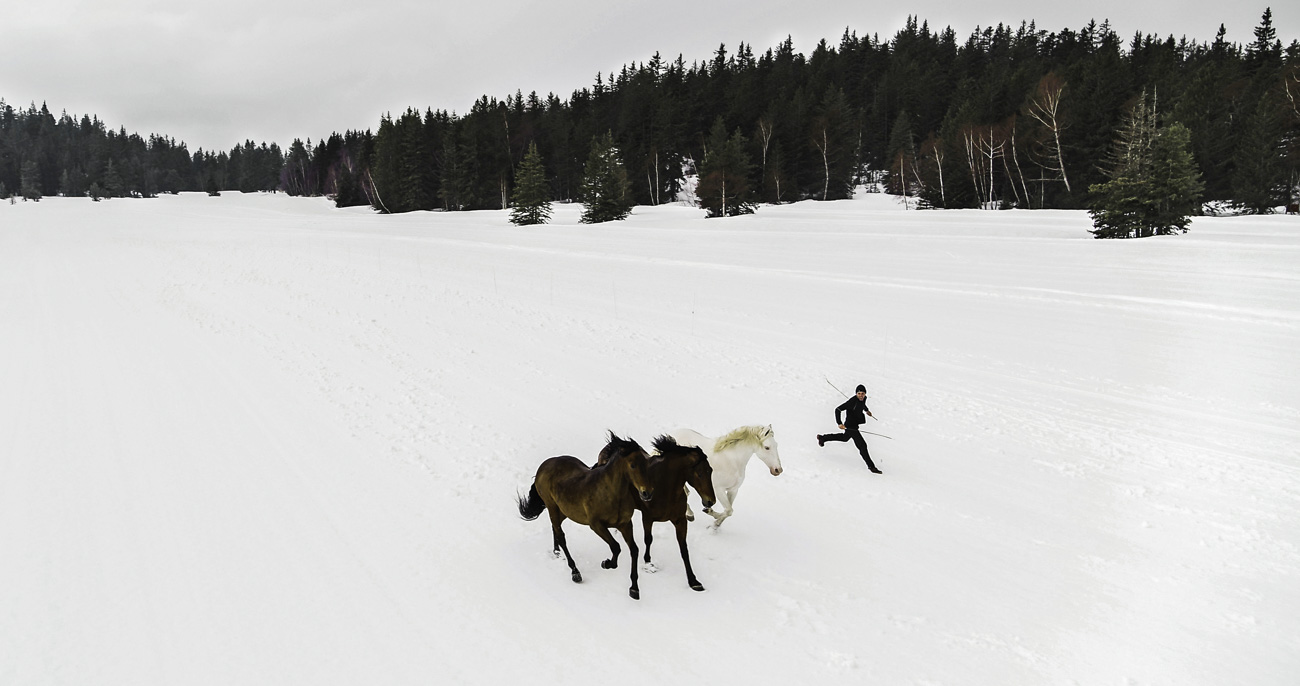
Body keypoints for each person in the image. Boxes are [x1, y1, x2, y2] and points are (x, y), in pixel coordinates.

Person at [817, 384, 882, 473]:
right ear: (856, 394)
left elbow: (862, 404)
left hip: (855, 425)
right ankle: (871, 467)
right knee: (862, 446)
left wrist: (867, 410)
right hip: (850, 426)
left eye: (862, 393)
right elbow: (838, 409)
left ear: (865, 394)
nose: (861, 395)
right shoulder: (851, 402)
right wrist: (839, 423)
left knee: (844, 438)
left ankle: (823, 438)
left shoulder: (863, 399)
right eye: (859, 393)